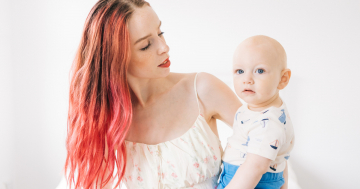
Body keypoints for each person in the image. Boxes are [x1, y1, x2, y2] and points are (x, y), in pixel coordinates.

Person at [64, 0, 241, 188]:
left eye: (160, 33)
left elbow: (270, 145)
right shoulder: (105, 118)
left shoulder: (202, 89)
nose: (164, 47)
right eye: (146, 45)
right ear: (115, 58)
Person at [218, 35, 294, 189]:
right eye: (239, 71)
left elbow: (255, 168)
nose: (247, 79)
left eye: (260, 70)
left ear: (283, 79)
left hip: (250, 181)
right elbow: (280, 159)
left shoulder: (269, 123)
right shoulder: (256, 108)